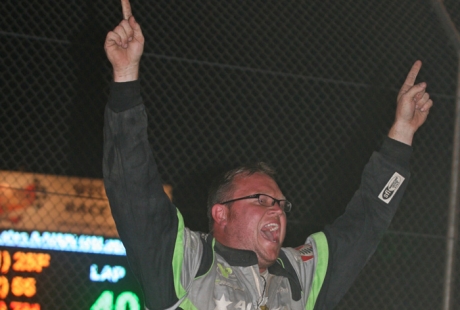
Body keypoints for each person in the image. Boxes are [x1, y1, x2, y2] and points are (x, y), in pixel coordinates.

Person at [102, 1, 433, 309]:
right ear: (221, 214)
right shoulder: (183, 261)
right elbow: (134, 185)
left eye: (280, 204)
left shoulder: (300, 275)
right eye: (262, 199)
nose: (278, 211)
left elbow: (367, 220)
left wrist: (401, 134)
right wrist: (126, 76)